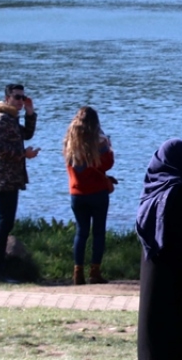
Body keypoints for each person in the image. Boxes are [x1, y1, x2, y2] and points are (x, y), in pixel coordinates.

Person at [136, 139, 182, 360]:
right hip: (175, 285)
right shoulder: (173, 194)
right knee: (175, 340)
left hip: (158, 282)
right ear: (175, 158)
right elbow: (174, 237)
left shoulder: (155, 191)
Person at [0, 83, 39, 283]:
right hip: (3, 177)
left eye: (22, 98)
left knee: (7, 223)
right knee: (4, 223)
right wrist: (23, 154)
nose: (20, 101)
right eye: (17, 97)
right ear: (7, 98)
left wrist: (30, 112)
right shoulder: (0, 118)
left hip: (12, 177)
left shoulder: (11, 117)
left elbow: (27, 134)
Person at [63, 106, 116, 285]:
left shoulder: (70, 141)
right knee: (98, 232)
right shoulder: (99, 142)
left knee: (81, 232)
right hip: (97, 192)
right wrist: (109, 147)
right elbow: (107, 164)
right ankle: (95, 271)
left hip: (76, 193)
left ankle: (78, 272)